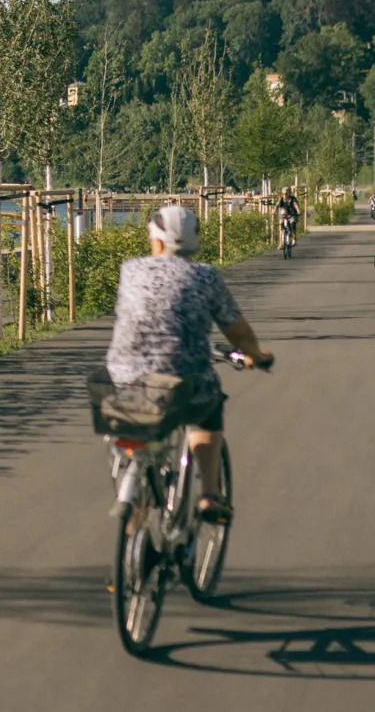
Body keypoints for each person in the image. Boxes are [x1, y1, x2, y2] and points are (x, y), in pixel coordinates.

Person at [104, 205, 273, 523]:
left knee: (134, 450)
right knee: (208, 411)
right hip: (184, 382)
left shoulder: (130, 271)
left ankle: (131, 552)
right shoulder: (204, 276)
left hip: (126, 383)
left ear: (154, 240)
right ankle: (209, 494)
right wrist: (256, 354)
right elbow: (237, 330)